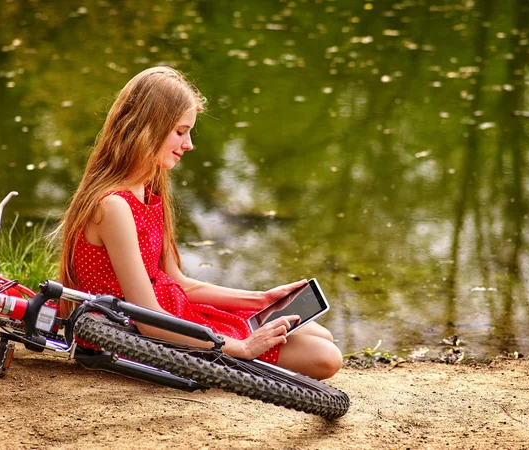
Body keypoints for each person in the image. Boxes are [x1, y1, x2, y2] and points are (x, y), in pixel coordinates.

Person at [59, 66, 342, 380]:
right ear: (147, 129)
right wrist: (241, 347)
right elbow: (148, 319)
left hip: (172, 312)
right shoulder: (112, 206)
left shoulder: (149, 186)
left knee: (319, 334)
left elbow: (177, 281)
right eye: (180, 132)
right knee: (325, 358)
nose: (189, 143)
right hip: (137, 335)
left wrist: (259, 298)